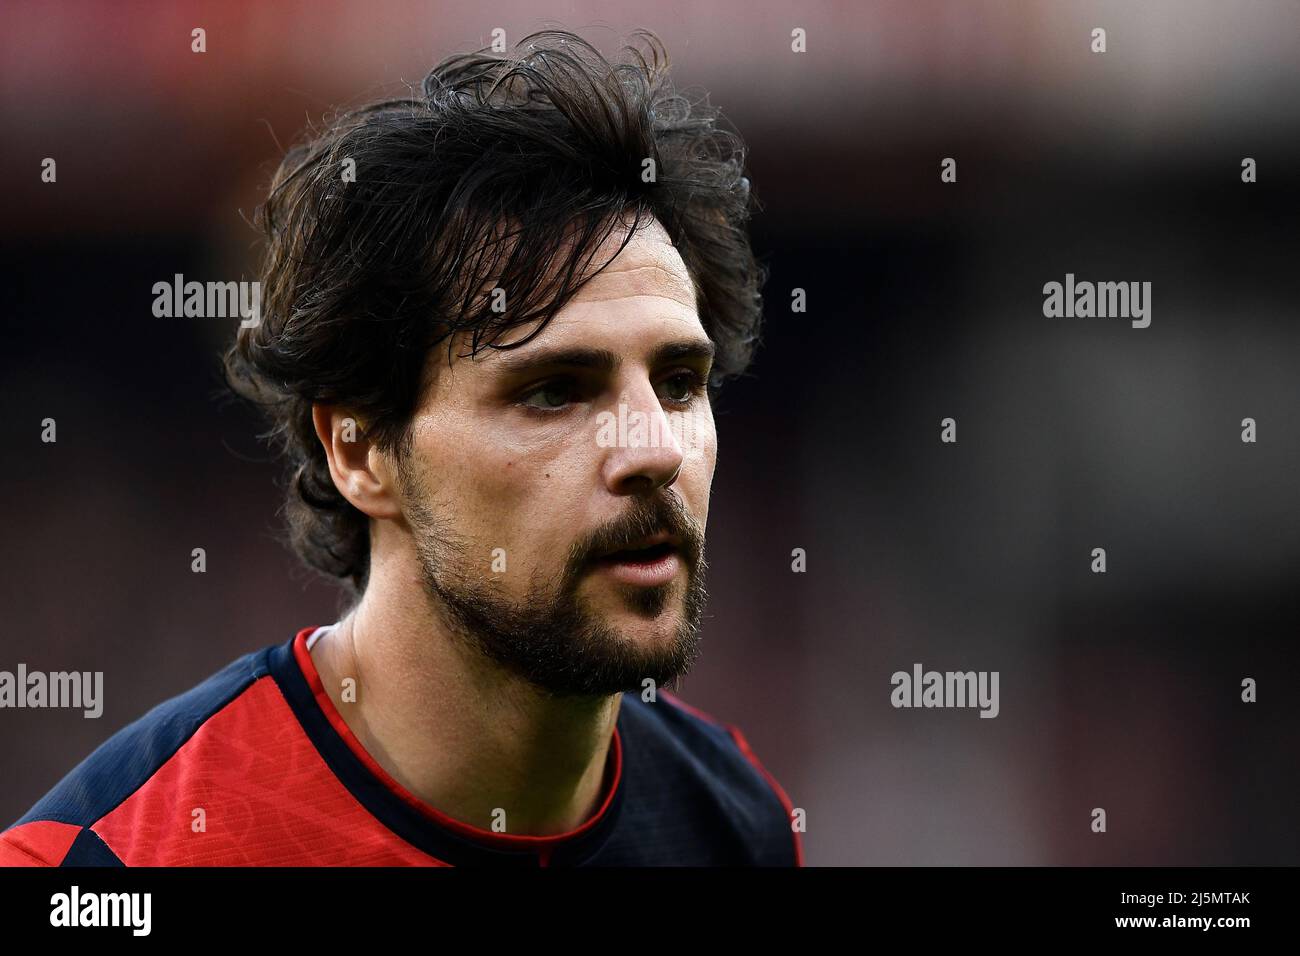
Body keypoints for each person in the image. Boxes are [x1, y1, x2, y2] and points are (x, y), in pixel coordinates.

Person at [1, 28, 800, 867]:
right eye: (554, 391)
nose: (654, 451)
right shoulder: (109, 864)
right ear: (359, 451)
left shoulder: (732, 821)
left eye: (678, 383)